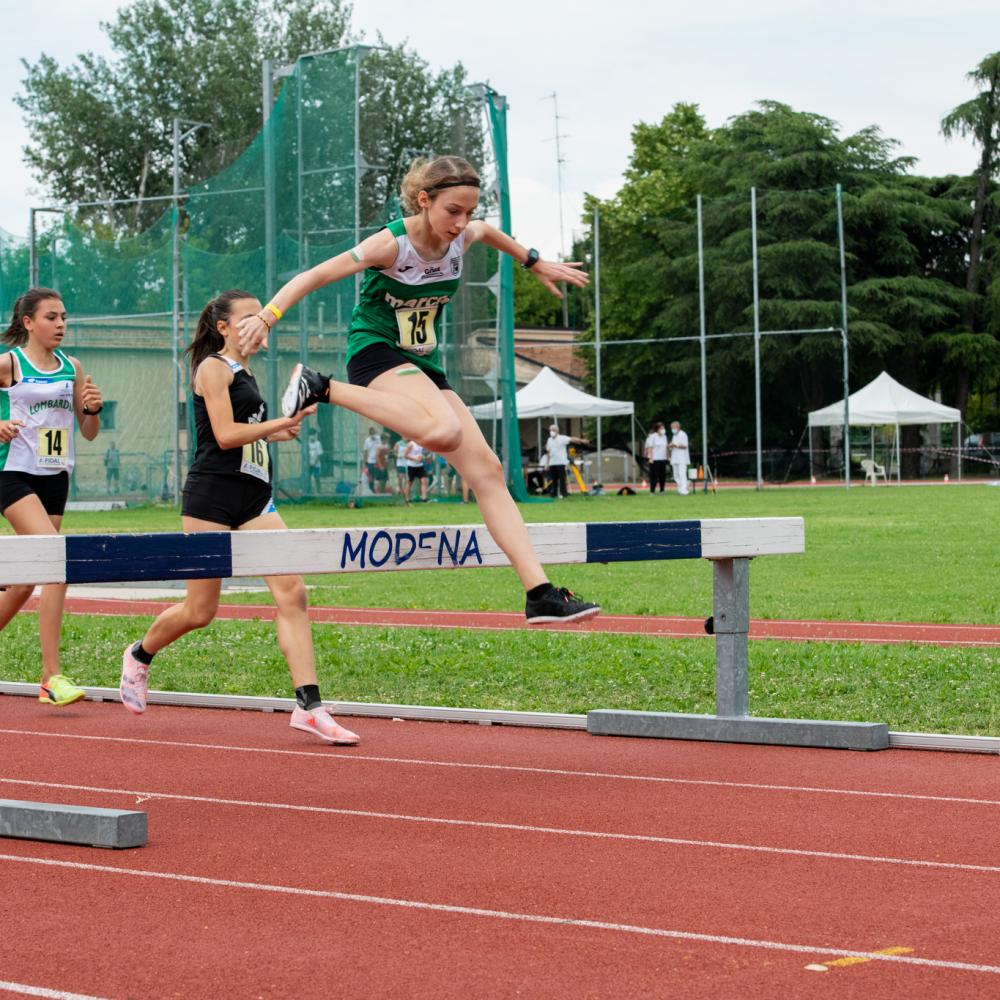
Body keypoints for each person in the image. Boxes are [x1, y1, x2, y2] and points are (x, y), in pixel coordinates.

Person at [238, 155, 599, 623]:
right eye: (453, 211)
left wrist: (533, 262)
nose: (462, 222)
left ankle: (540, 593)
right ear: (424, 200)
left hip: (421, 361)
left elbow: (489, 232)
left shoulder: (464, 235)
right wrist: (268, 316)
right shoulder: (389, 245)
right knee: (444, 433)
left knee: (487, 468)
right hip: (377, 353)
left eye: (468, 211)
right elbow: (316, 275)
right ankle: (320, 386)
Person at [118, 289, 358, 745]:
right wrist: (276, 426)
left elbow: (245, 437)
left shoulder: (248, 372)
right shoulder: (212, 367)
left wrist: (274, 436)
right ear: (223, 327)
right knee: (201, 610)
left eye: (260, 317)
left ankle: (309, 705)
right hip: (211, 499)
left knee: (293, 591)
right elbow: (226, 436)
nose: (258, 324)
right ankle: (140, 654)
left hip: (255, 498)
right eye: (248, 317)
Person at [0, 287, 104, 706]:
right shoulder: (10, 363)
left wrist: (94, 410)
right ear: (27, 322)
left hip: (55, 478)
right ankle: (51, 676)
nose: (60, 324)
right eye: (50, 317)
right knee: (56, 563)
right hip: (13, 474)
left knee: (26, 581)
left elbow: (89, 432)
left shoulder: (73, 367)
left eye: (63, 317)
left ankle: (50, 675)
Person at [545, 424, 589, 498]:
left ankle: (564, 493)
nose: (551, 431)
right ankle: (554, 493)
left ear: (557, 430)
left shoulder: (562, 438)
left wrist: (581, 440)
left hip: (561, 462)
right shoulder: (549, 440)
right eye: (550, 430)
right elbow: (548, 452)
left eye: (552, 430)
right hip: (552, 463)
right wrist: (547, 463)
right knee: (553, 479)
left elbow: (572, 439)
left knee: (562, 479)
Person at [644, 422, 668, 493]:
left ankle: (662, 490)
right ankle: (652, 491)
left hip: (662, 458)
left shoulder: (664, 437)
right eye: (661, 428)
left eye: (663, 428)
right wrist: (651, 458)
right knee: (654, 476)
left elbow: (665, 447)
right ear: (657, 429)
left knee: (662, 475)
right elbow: (650, 448)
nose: (663, 430)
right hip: (654, 459)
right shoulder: (652, 436)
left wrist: (667, 456)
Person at [669, 419, 691, 496]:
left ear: (678, 427)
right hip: (675, 458)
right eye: (671, 428)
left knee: (682, 474)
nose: (672, 429)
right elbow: (673, 446)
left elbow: (685, 446)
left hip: (682, 458)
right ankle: (680, 488)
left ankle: (684, 490)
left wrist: (675, 445)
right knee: (676, 475)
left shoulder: (683, 434)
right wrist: (671, 446)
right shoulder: (674, 436)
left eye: (673, 427)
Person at [404, 438, 428, 502]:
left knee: (424, 481)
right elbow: (405, 455)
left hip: (420, 466)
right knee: (409, 482)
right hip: (411, 466)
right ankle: (407, 499)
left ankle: (424, 498)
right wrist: (414, 458)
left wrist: (422, 457)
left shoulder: (421, 444)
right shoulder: (411, 444)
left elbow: (423, 454)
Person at [362, 426, 382, 494]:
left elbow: (382, 448)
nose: (372, 434)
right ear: (369, 434)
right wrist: (364, 462)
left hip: (378, 461)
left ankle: (378, 490)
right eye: (371, 433)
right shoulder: (367, 441)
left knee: (378, 476)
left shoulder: (379, 439)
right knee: (371, 476)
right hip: (370, 461)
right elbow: (365, 452)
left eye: (374, 432)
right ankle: (371, 489)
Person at [307, 428, 323, 492]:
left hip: (316, 465)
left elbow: (319, 455)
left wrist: (314, 462)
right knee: (308, 478)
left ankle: (319, 492)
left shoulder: (318, 443)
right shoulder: (307, 444)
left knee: (317, 478)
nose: (312, 436)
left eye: (313, 434)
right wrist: (309, 463)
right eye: (310, 434)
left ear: (315, 435)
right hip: (309, 465)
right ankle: (308, 491)